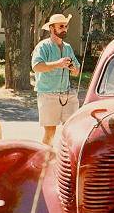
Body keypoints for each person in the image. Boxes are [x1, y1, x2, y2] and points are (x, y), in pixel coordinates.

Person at [31, 13, 80, 146]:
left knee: (72, 129)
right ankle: (46, 162)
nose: (64, 29)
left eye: (66, 26)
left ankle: (65, 162)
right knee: (50, 133)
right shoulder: (43, 46)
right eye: (61, 26)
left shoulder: (68, 47)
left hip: (66, 93)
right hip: (48, 94)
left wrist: (73, 68)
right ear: (52, 29)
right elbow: (36, 67)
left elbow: (76, 72)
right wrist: (58, 63)